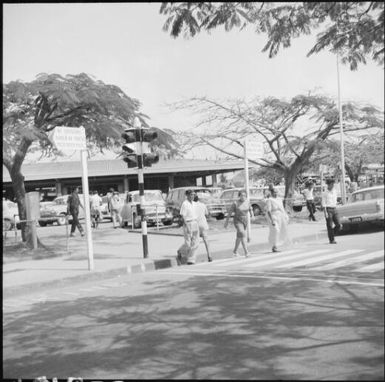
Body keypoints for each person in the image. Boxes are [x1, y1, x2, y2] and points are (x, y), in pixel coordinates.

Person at [224, 189, 253, 257]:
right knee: (242, 233)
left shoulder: (247, 202)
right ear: (239, 196)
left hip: (244, 221)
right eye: (241, 195)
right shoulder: (235, 203)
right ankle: (246, 252)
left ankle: (235, 251)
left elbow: (250, 209)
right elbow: (229, 213)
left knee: (239, 237)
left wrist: (252, 215)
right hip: (237, 220)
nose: (243, 197)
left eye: (244, 195)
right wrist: (226, 222)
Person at [265, 185, 290, 252]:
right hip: (273, 216)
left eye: (276, 192)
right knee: (276, 230)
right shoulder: (269, 200)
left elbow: (282, 208)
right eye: (274, 192)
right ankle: (274, 245)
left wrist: (285, 216)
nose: (275, 193)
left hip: (280, 216)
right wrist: (272, 220)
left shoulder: (279, 199)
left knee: (282, 230)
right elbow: (268, 211)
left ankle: (277, 245)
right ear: (271, 193)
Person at [179, 189, 200, 265]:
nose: (193, 196)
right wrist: (187, 226)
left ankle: (191, 259)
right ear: (187, 195)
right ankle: (181, 251)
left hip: (195, 222)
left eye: (193, 195)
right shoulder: (185, 204)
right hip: (188, 223)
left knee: (195, 242)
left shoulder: (194, 204)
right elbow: (183, 216)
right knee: (188, 243)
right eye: (191, 195)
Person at [321, 178, 342, 244]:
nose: (333, 185)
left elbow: (336, 199)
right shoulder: (325, 193)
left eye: (333, 184)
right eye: (331, 184)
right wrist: (325, 213)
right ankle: (332, 240)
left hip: (334, 208)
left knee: (338, 225)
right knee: (330, 225)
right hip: (328, 209)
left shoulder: (335, 191)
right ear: (328, 185)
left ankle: (331, 234)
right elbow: (323, 203)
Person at [194, 194, 212, 262]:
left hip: (195, 225)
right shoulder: (203, 205)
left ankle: (193, 257)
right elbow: (207, 214)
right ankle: (209, 255)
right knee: (206, 241)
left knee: (195, 241)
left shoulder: (192, 206)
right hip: (203, 224)